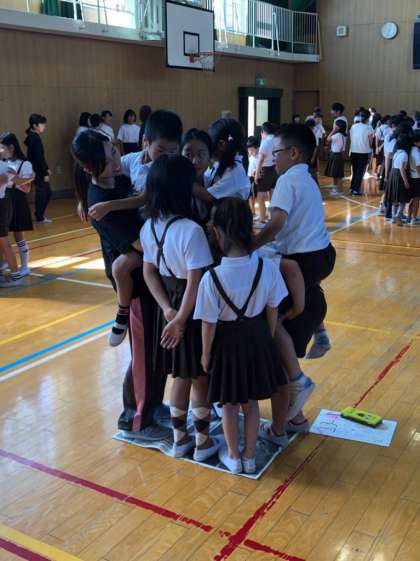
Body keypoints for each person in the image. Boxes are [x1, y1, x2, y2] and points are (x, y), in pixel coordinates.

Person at [72, 130, 169, 438]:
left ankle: (152, 405)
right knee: (143, 353)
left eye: (114, 152)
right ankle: (135, 419)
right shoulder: (98, 204)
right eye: (107, 159)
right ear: (89, 167)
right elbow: (139, 245)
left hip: (150, 278)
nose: (116, 161)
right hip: (137, 286)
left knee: (157, 348)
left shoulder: (120, 180)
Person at [194, 198, 289, 474]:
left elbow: (208, 324)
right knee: (251, 404)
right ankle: (249, 457)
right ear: (249, 228)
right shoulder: (267, 266)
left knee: (230, 405)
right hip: (257, 339)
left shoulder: (211, 278)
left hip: (227, 346)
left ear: (218, 233)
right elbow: (273, 308)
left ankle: (233, 457)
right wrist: (267, 337)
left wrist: (205, 354)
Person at [141, 155, 220, 461]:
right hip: (192, 310)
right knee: (199, 376)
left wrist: (167, 311)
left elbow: (149, 272)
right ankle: (202, 443)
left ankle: (180, 440)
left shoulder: (149, 226)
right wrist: (183, 320)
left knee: (179, 377)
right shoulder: (191, 229)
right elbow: (195, 282)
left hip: (171, 308)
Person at [87, 110, 183, 346]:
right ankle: (123, 311)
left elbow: (142, 199)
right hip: (143, 232)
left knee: (124, 266)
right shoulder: (130, 161)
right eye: (161, 151)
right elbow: (101, 172)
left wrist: (109, 205)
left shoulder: (167, 170)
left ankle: (141, 311)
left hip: (159, 234)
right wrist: (84, 198)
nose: (166, 157)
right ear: (146, 142)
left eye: (173, 151)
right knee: (121, 266)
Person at [252, 123, 336, 363]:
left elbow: (277, 222)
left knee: (279, 305)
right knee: (308, 290)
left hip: (305, 259)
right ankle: (321, 334)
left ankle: (291, 368)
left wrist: (252, 244)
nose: (273, 159)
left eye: (276, 153)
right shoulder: (308, 178)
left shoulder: (287, 180)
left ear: (294, 153)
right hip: (324, 254)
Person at [0, 133, 35, 277]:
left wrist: (16, 179)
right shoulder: (4, 163)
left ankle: (25, 266)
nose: (1, 151)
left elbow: (27, 189)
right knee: (3, 235)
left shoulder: (24, 164)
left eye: (2, 148)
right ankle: (4, 263)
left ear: (11, 147)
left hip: (18, 200)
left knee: (18, 234)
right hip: (5, 198)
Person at [193, 118, 250, 204]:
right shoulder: (220, 163)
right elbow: (207, 181)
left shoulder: (234, 171)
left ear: (221, 145)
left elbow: (208, 196)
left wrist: (185, 180)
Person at [181, 128, 213, 224]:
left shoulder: (213, 184)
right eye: (188, 154)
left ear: (210, 158)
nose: (195, 161)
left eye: (201, 154)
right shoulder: (173, 188)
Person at [0, 160, 24, 287]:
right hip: (4, 202)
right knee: (2, 243)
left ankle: (16, 277)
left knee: (4, 243)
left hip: (1, 204)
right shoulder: (6, 166)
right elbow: (18, 181)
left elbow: (8, 180)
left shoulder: (4, 166)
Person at [24, 114, 51, 224]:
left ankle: (39, 215)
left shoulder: (33, 137)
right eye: (42, 124)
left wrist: (46, 168)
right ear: (35, 126)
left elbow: (39, 156)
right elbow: (38, 158)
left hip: (36, 169)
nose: (44, 126)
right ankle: (39, 217)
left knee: (44, 192)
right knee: (44, 193)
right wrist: (45, 172)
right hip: (37, 171)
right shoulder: (34, 138)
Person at [254, 122, 278, 227]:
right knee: (272, 194)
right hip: (275, 169)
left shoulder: (266, 142)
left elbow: (260, 160)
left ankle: (262, 220)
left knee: (261, 196)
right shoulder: (277, 140)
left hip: (266, 170)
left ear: (263, 131)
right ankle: (271, 217)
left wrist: (256, 174)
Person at [384, 134, 411, 225]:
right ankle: (398, 215)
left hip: (393, 174)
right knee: (403, 198)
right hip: (399, 176)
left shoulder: (396, 153)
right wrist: (406, 181)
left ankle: (393, 217)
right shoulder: (404, 154)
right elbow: (402, 168)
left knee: (395, 198)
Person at [349, 109, 374, 195]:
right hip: (364, 152)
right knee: (360, 172)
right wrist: (371, 148)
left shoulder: (353, 126)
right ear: (368, 118)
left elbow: (351, 138)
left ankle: (352, 188)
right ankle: (356, 190)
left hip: (354, 151)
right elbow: (370, 142)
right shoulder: (369, 128)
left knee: (355, 171)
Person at [324, 118, 346, 195]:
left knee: (338, 174)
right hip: (338, 155)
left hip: (336, 155)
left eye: (335, 125)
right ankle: (336, 187)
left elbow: (328, 139)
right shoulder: (342, 135)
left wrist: (333, 130)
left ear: (338, 127)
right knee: (336, 173)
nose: (334, 126)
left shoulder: (337, 135)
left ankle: (339, 191)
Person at [408, 130, 420, 225]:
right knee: (416, 199)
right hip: (416, 178)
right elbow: (418, 167)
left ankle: (409, 217)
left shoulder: (410, 150)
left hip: (411, 177)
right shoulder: (416, 152)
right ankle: (414, 218)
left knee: (412, 199)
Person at [246, 136, 259, 216]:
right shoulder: (248, 156)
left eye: (252, 149)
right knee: (250, 195)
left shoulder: (259, 156)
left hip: (255, 177)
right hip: (248, 177)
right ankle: (252, 212)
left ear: (256, 148)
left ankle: (253, 212)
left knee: (255, 195)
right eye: (249, 149)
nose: (250, 151)